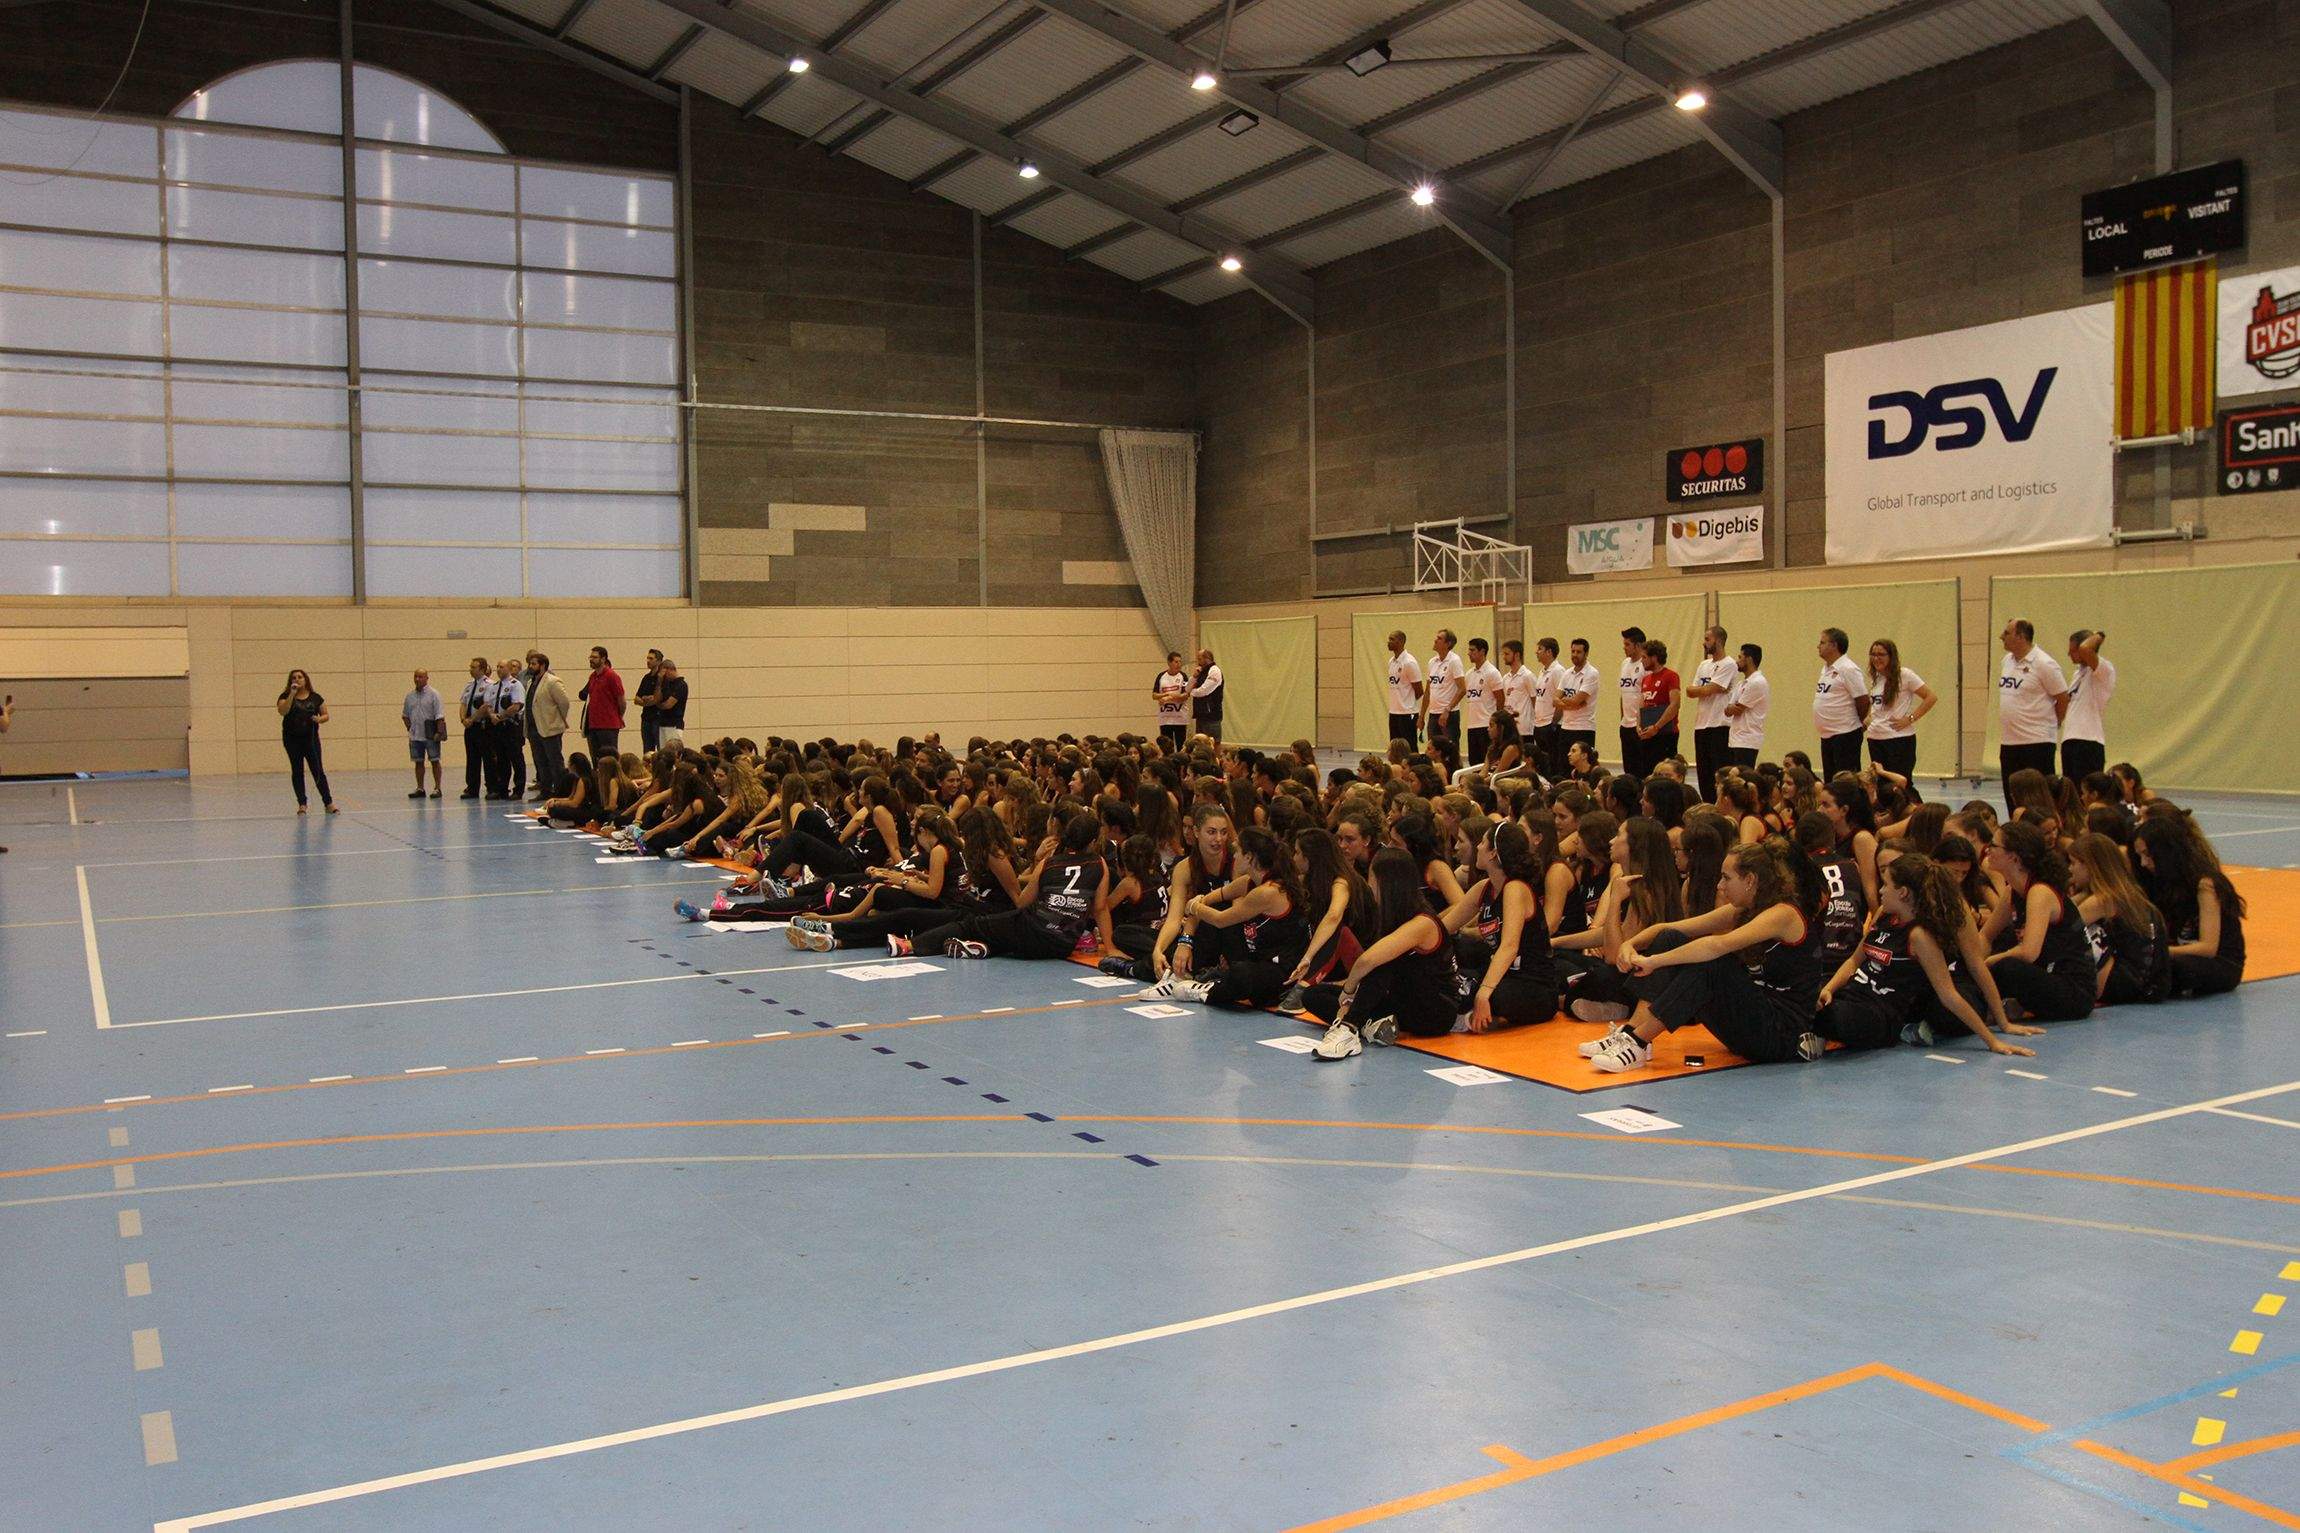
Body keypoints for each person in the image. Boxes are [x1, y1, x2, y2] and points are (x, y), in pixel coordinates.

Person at [1584, 838, 1829, 1073]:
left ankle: (1636, 1042)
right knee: (1670, 939)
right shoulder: (1745, 909)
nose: (1720, 886)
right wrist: (1632, 944)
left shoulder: (1783, 913)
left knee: (1710, 965)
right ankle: (1632, 1035)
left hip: (1780, 1034)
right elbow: (1672, 929)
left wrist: (1652, 961)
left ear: (1751, 880)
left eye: (1726, 878)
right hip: (1752, 1020)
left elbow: (1717, 945)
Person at [1811, 854, 2037, 1056]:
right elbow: (1852, 962)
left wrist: (1994, 1039)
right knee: (1806, 997)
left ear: (1903, 892)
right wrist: (1828, 989)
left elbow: (1949, 995)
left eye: (1886, 885)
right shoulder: (1883, 915)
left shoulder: (1920, 937)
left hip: (1879, 1013)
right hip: (1852, 993)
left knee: (1829, 1018)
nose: (1880, 891)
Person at [1305, 847, 1461, 1060]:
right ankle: (1371, 1024)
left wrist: (1349, 991)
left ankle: (1350, 1028)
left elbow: (1366, 960)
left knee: (1379, 964)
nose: (1369, 885)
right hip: (1404, 999)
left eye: (1371, 878)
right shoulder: (1394, 917)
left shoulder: (1422, 922)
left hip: (1435, 1011)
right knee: (1314, 995)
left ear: (1386, 883)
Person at [899, 814, 1107, 961]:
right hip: (1062, 944)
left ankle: (910, 945)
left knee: (972, 924)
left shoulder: (1049, 863)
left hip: (1035, 929)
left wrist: (1038, 865)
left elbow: (1023, 902)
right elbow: (1100, 908)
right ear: (1093, 841)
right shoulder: (1099, 863)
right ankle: (982, 947)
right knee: (1004, 935)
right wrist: (1112, 947)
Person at [1980, 821, 2095, 1022]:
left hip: (2074, 992)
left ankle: (1988, 1009)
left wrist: (1988, 963)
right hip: (2047, 978)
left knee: (2007, 966)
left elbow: (2028, 952)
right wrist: (1971, 963)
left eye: (1994, 845)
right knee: (1988, 958)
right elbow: (1985, 937)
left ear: (2014, 857)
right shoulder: (2012, 891)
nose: (1987, 849)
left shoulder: (2039, 892)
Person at [2132, 814, 2246, 996]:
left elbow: (2208, 948)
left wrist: (2159, 951)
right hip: (2185, 956)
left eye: (2148, 855)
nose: (2143, 863)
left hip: (2220, 964)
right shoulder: (2163, 882)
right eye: (2140, 856)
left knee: (2167, 967)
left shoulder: (2205, 884)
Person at [1996, 619, 2066, 811]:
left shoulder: (2045, 664)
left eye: (2007, 632)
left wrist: (2053, 723)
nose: (2001, 636)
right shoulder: (2007, 661)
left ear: (2021, 636)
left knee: (2038, 799)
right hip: (2010, 742)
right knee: (2013, 796)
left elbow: (2062, 697)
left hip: (2036, 742)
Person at [1863, 638, 1934, 782]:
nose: (1876, 658)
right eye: (1873, 654)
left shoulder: (1905, 675)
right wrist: (1868, 719)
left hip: (1898, 739)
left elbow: (1930, 697)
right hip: (1876, 738)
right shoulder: (1876, 678)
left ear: (1891, 656)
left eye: (1881, 654)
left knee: (1901, 783)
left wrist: (1910, 719)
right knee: (1882, 783)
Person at [1685, 625, 1737, 802]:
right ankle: (1706, 805)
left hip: (1719, 725)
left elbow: (1712, 688)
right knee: (1704, 773)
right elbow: (1690, 691)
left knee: (1718, 772)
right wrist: (1704, 689)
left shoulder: (1729, 664)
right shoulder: (1703, 664)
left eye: (1707, 639)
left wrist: (1704, 689)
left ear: (1719, 641)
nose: (1704, 643)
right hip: (1701, 725)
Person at [276, 669, 336, 815]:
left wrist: (319, 719)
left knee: (317, 770)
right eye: (294, 678)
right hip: (292, 740)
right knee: (297, 770)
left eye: (300, 677)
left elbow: (326, 715)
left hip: (310, 739)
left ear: (306, 679)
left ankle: (328, 803)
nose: (297, 679)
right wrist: (292, 694)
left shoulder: (316, 698)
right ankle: (302, 804)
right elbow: (282, 711)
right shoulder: (285, 696)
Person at [1812, 627, 1869, 781]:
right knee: (1831, 781)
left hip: (1845, 734)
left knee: (1846, 782)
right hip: (1828, 734)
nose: (1818, 646)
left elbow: (1863, 700)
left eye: (1822, 642)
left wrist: (1858, 725)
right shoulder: (1826, 669)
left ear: (1834, 645)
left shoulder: (1848, 668)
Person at [2060, 629, 2113, 781]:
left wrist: (2099, 635)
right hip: (2070, 741)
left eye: (2073, 650)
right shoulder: (2078, 673)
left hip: (2088, 742)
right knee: (2071, 794)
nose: (2069, 654)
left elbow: (2085, 649)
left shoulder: (2103, 670)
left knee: (2087, 794)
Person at [524, 652, 572, 800]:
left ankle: (560, 791)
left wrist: (557, 719)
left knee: (555, 761)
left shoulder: (552, 681)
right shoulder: (530, 682)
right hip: (534, 728)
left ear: (542, 665)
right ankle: (545, 790)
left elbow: (564, 703)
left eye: (533, 664)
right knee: (540, 761)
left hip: (550, 728)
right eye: (530, 664)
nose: (530, 666)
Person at [1633, 638, 1681, 775]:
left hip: (1665, 734)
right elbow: (1641, 705)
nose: (1641, 660)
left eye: (1644, 657)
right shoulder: (1646, 679)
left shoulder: (1671, 676)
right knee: (1646, 773)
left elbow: (1675, 705)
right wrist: (1638, 725)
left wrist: (1656, 727)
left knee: (1664, 773)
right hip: (1647, 735)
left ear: (1654, 657)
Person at [1555, 637, 1599, 770]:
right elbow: (1555, 700)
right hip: (1566, 727)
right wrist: (1573, 703)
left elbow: (1575, 701)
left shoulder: (1592, 673)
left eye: (1578, 652)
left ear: (1586, 654)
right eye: (1573, 651)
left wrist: (1570, 702)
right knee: (1563, 767)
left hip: (1584, 728)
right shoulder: (1567, 673)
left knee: (1583, 769)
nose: (1574, 655)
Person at [401, 669, 445, 800]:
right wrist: (410, 728)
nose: (417, 679)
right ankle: (420, 788)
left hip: (431, 735)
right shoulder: (410, 696)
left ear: (427, 678)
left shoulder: (434, 695)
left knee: (435, 761)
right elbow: (405, 715)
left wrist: (439, 732)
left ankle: (437, 788)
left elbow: (440, 715)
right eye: (415, 676)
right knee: (418, 762)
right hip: (415, 736)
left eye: (420, 677)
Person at [579, 646, 626, 765]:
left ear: (603, 659)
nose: (591, 659)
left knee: (609, 760)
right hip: (593, 725)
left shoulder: (611, 676)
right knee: (596, 759)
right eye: (591, 657)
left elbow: (621, 700)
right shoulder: (593, 677)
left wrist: (616, 716)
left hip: (608, 726)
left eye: (595, 657)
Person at [1461, 638, 1504, 766]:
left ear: (1482, 651)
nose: (1469, 653)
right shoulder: (1469, 674)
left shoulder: (1492, 673)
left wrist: (1495, 724)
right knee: (1474, 763)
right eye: (1469, 650)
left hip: (1486, 726)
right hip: (1472, 725)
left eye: (1472, 650)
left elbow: (1500, 699)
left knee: (1488, 763)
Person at [456, 657, 494, 801]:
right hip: (470, 727)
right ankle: (472, 788)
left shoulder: (490, 685)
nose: (470, 669)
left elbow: (486, 706)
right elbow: (463, 703)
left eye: (473, 667)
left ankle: (491, 788)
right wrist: (463, 719)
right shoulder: (469, 685)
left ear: (482, 669)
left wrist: (472, 719)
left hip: (482, 726)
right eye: (470, 667)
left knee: (488, 757)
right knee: (472, 758)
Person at [1724, 642, 1767, 767]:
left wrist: (1733, 707)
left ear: (1749, 659)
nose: (1737, 661)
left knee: (1743, 778)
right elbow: (1727, 710)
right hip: (1736, 739)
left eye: (1740, 657)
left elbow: (1737, 709)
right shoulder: (1741, 684)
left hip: (1747, 740)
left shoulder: (1757, 682)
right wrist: (1732, 707)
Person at [1423, 629, 1465, 754]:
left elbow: (1462, 689)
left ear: (1448, 643)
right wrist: (1421, 717)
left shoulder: (1454, 661)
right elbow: (1427, 691)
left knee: (1450, 750)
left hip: (1449, 715)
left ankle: (1454, 773)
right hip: (1433, 714)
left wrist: (1447, 709)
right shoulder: (1432, 662)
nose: (1435, 640)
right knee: (1432, 750)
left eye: (1439, 638)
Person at [490, 656, 526, 800]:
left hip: (511, 726)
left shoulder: (515, 685)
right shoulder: (494, 687)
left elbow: (517, 706)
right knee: (501, 759)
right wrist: (492, 715)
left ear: (510, 669)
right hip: (497, 727)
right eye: (497, 667)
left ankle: (518, 789)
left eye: (502, 667)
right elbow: (488, 705)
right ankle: (502, 789)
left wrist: (500, 717)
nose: (499, 669)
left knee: (516, 758)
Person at [1383, 630, 1424, 747]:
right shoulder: (1391, 662)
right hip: (1394, 712)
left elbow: (1419, 691)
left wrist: (1407, 703)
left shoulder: (1409, 662)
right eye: (1389, 639)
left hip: (1408, 713)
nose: (1388, 642)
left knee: (1409, 747)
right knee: (1395, 747)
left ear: (1401, 641)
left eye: (1392, 639)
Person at [1615, 627, 1646, 775]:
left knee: (1641, 768)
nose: (1624, 647)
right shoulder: (1624, 664)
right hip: (1626, 725)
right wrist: (1623, 719)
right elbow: (1623, 694)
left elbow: (1646, 696)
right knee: (1629, 769)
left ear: (1638, 645)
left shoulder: (1645, 665)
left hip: (1639, 725)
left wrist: (1641, 722)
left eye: (1627, 644)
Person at [1153, 652, 1191, 750]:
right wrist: (1166, 695)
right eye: (1176, 662)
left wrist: (1169, 698)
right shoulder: (1161, 676)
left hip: (1180, 717)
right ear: (1169, 663)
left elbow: (1185, 695)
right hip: (1165, 717)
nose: (1179, 664)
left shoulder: (1183, 676)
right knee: (1166, 746)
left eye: (1180, 662)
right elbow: (1154, 695)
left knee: (1180, 745)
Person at [651, 658, 689, 750]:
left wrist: (657, 704)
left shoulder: (681, 685)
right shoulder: (665, 684)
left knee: (673, 751)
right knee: (662, 752)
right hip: (662, 723)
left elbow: (668, 705)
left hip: (674, 725)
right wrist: (659, 682)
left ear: (670, 669)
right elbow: (656, 698)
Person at [634, 648, 666, 753]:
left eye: (651, 658)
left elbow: (657, 699)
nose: (648, 661)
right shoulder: (646, 678)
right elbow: (636, 699)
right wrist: (646, 700)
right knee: (647, 750)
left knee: (660, 748)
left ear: (659, 661)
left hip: (658, 718)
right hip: (646, 718)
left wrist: (647, 700)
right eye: (647, 658)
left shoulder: (662, 678)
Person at [1191, 648, 1224, 743]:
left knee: (1213, 742)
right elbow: (1187, 688)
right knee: (1200, 743)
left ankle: (1215, 758)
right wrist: (1194, 676)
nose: (1198, 662)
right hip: (1201, 714)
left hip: (1212, 714)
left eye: (1200, 659)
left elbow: (1204, 691)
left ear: (1207, 658)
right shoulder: (1201, 672)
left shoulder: (1214, 671)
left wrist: (1192, 692)